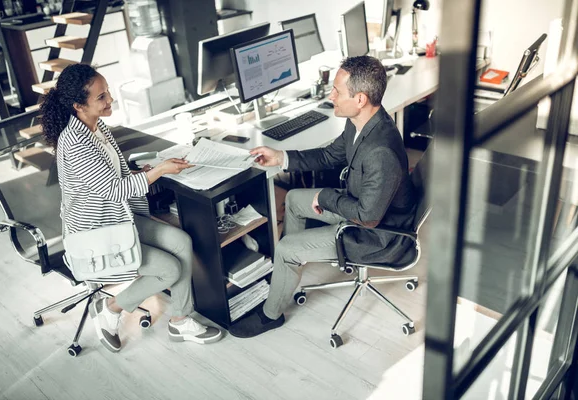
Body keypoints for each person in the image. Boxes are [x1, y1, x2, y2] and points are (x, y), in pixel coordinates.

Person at [228, 56, 417, 338]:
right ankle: (292, 268)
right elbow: (330, 155)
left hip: (379, 235)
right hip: (362, 204)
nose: (331, 97)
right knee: (293, 199)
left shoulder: (381, 152)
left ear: (361, 98)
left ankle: (272, 314)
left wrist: (326, 196)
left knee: (286, 248)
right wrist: (281, 157)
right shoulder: (362, 122)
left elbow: (367, 217)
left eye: (337, 91)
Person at [41, 64, 222, 352]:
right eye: (101, 97)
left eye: (108, 92)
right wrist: (159, 171)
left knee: (182, 241)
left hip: (119, 220)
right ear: (78, 105)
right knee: (169, 270)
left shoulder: (96, 126)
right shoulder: (74, 142)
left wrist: (148, 170)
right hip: (98, 233)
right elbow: (113, 191)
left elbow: (117, 174)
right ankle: (111, 309)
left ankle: (180, 319)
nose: (110, 99)